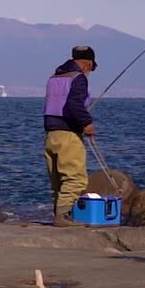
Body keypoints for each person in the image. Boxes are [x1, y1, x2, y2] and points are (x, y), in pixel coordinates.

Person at [43, 45, 97, 227]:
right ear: (88, 64)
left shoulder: (55, 77)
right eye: (91, 68)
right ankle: (63, 217)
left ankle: (58, 214)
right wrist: (87, 123)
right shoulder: (78, 78)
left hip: (51, 134)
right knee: (75, 178)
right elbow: (74, 105)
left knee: (58, 179)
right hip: (68, 134)